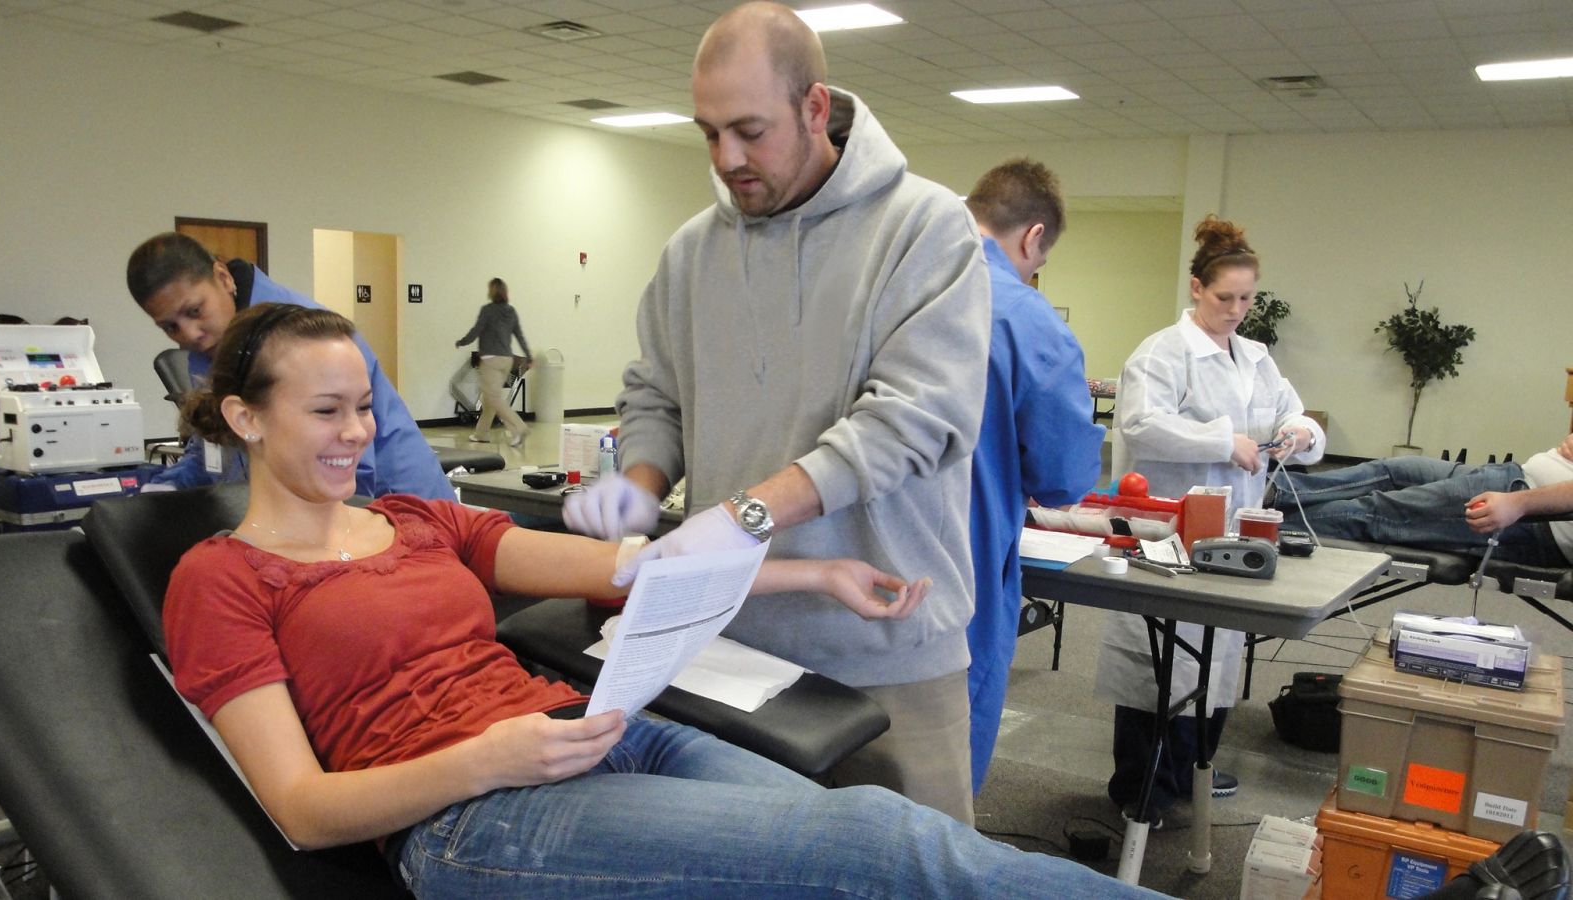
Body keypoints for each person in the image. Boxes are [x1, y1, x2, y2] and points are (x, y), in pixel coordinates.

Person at [161, 302, 1168, 900]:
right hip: (475, 816)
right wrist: (484, 758)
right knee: (883, 848)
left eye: (365, 408)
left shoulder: (420, 519)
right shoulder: (222, 578)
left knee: (869, 829)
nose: (356, 432)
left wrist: (811, 571)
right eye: (324, 411)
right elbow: (301, 810)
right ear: (245, 416)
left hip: (596, 732)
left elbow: (623, 569)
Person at [560, 1, 991, 823]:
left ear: (816, 107)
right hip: (727, 643)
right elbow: (657, 395)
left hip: (884, 649)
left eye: (750, 131)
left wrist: (744, 516)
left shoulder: (925, 228)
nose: (726, 158)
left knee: (910, 873)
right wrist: (639, 488)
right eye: (708, 132)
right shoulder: (692, 252)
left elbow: (912, 419)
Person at [1094, 215, 1326, 827]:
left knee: (1218, 650)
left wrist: (1299, 433)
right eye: (1225, 297)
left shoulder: (1256, 356)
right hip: (1167, 531)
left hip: (1235, 527)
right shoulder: (1162, 353)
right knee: (1161, 660)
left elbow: (1299, 420)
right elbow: (1140, 425)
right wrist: (1225, 443)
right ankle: (1140, 787)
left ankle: (1194, 765)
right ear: (1196, 288)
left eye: (1247, 299)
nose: (1237, 310)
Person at [962, 159, 1103, 793]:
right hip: (957, 579)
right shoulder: (1026, 319)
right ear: (1031, 237)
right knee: (933, 797)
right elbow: (1064, 477)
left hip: (831, 571)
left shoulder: (878, 287)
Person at [126, 232, 452, 500]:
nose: (190, 335)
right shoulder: (215, 350)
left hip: (394, 503)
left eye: (195, 311)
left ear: (223, 277)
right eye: (170, 327)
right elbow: (212, 450)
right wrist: (167, 487)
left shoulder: (307, 336)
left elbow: (347, 466)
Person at [1270, 433, 1573, 566]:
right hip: (1514, 477)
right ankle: (1270, 491)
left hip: (1533, 517)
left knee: (1375, 512)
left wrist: (1518, 503)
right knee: (1390, 470)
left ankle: (1256, 526)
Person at [455, 277, 532, 448]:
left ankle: (519, 428)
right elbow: (520, 335)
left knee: (493, 398)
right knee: (488, 398)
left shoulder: (487, 310)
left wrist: (462, 342)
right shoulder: (511, 311)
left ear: (492, 292)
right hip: (507, 360)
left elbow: (476, 331)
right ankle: (481, 433)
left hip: (491, 361)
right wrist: (529, 356)